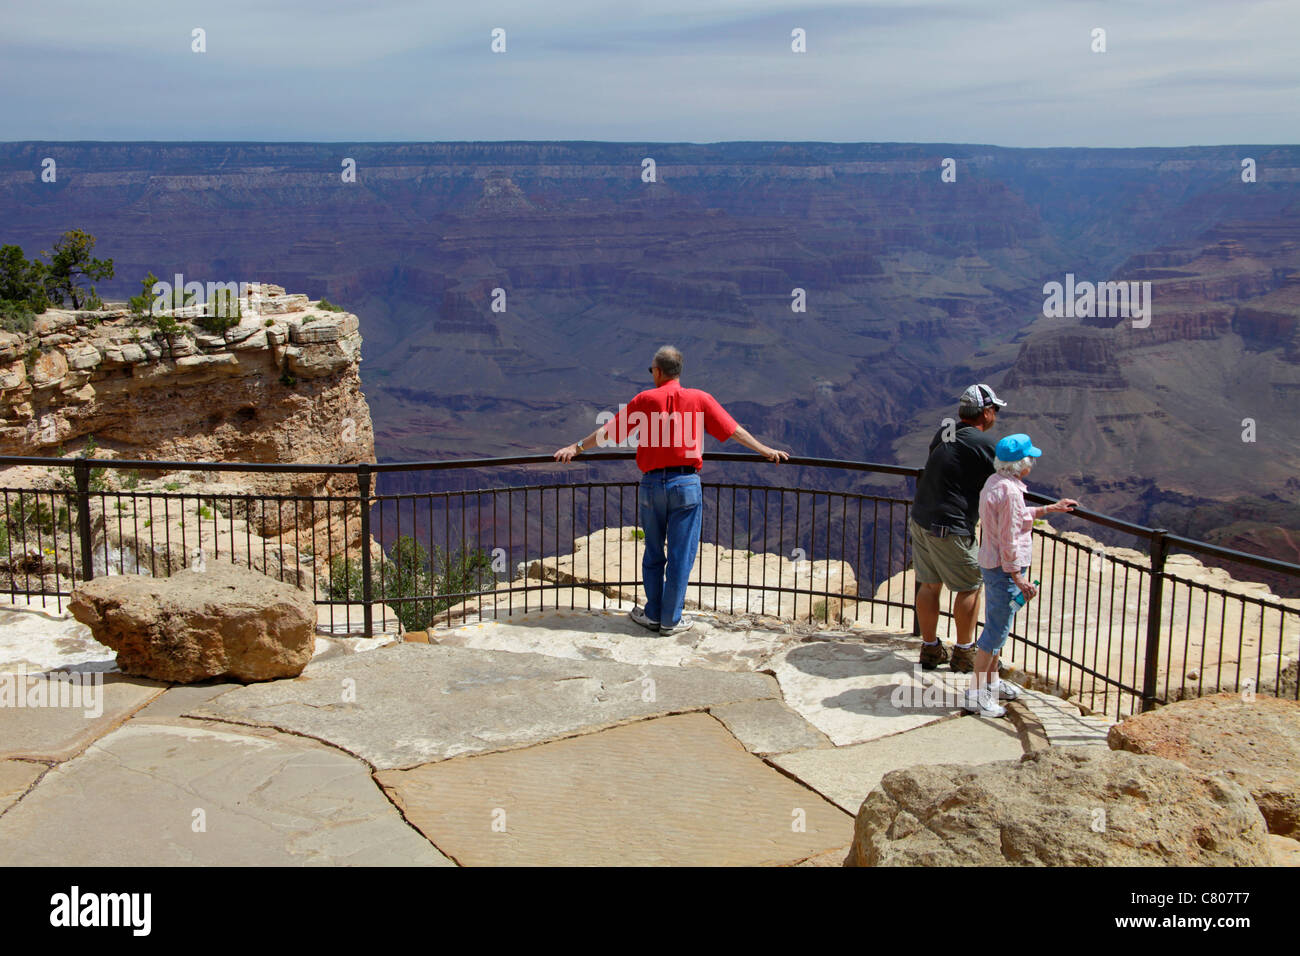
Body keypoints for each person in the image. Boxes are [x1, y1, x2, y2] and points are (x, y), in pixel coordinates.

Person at [553, 346, 788, 635]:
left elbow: (609, 432)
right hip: (686, 485)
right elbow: (733, 430)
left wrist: (574, 448)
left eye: (651, 369)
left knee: (653, 552)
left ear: (658, 371)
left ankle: (653, 614)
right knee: (681, 556)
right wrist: (766, 450)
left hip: (652, 486)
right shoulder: (700, 399)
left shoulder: (644, 400)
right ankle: (670, 620)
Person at [966, 433, 1078, 718]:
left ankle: (991, 683)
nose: (1034, 462)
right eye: (1031, 458)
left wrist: (1049, 509)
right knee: (994, 632)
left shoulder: (995, 483)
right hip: (1004, 570)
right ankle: (977, 695)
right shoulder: (1012, 493)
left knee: (999, 626)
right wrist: (1017, 577)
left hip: (993, 564)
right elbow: (1009, 538)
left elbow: (1010, 519)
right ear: (1021, 464)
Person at [910, 384, 1005, 673]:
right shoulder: (982, 443)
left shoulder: (944, 432)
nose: (996, 416)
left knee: (929, 584)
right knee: (970, 587)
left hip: (921, 517)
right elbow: (1004, 479)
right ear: (986, 412)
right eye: (995, 410)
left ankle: (930, 648)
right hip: (949, 526)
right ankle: (964, 653)